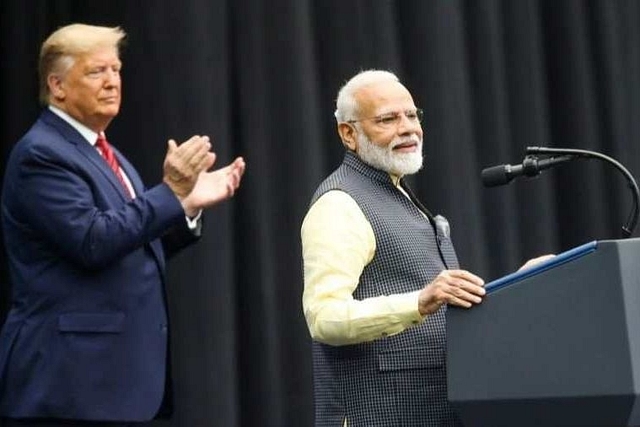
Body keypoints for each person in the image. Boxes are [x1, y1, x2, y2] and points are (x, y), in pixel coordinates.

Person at [0, 23, 245, 427]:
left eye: (116, 70)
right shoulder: (41, 155)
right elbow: (94, 241)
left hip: (115, 383)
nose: (112, 81)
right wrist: (169, 193)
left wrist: (185, 206)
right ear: (57, 86)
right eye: (97, 72)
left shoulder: (106, 153)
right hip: (71, 385)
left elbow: (133, 244)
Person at [301, 69, 550, 427]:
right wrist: (419, 302)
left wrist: (520, 286)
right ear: (349, 134)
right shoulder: (339, 204)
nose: (408, 128)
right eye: (388, 119)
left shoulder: (393, 192)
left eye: (412, 115)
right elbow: (324, 319)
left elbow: (445, 307)